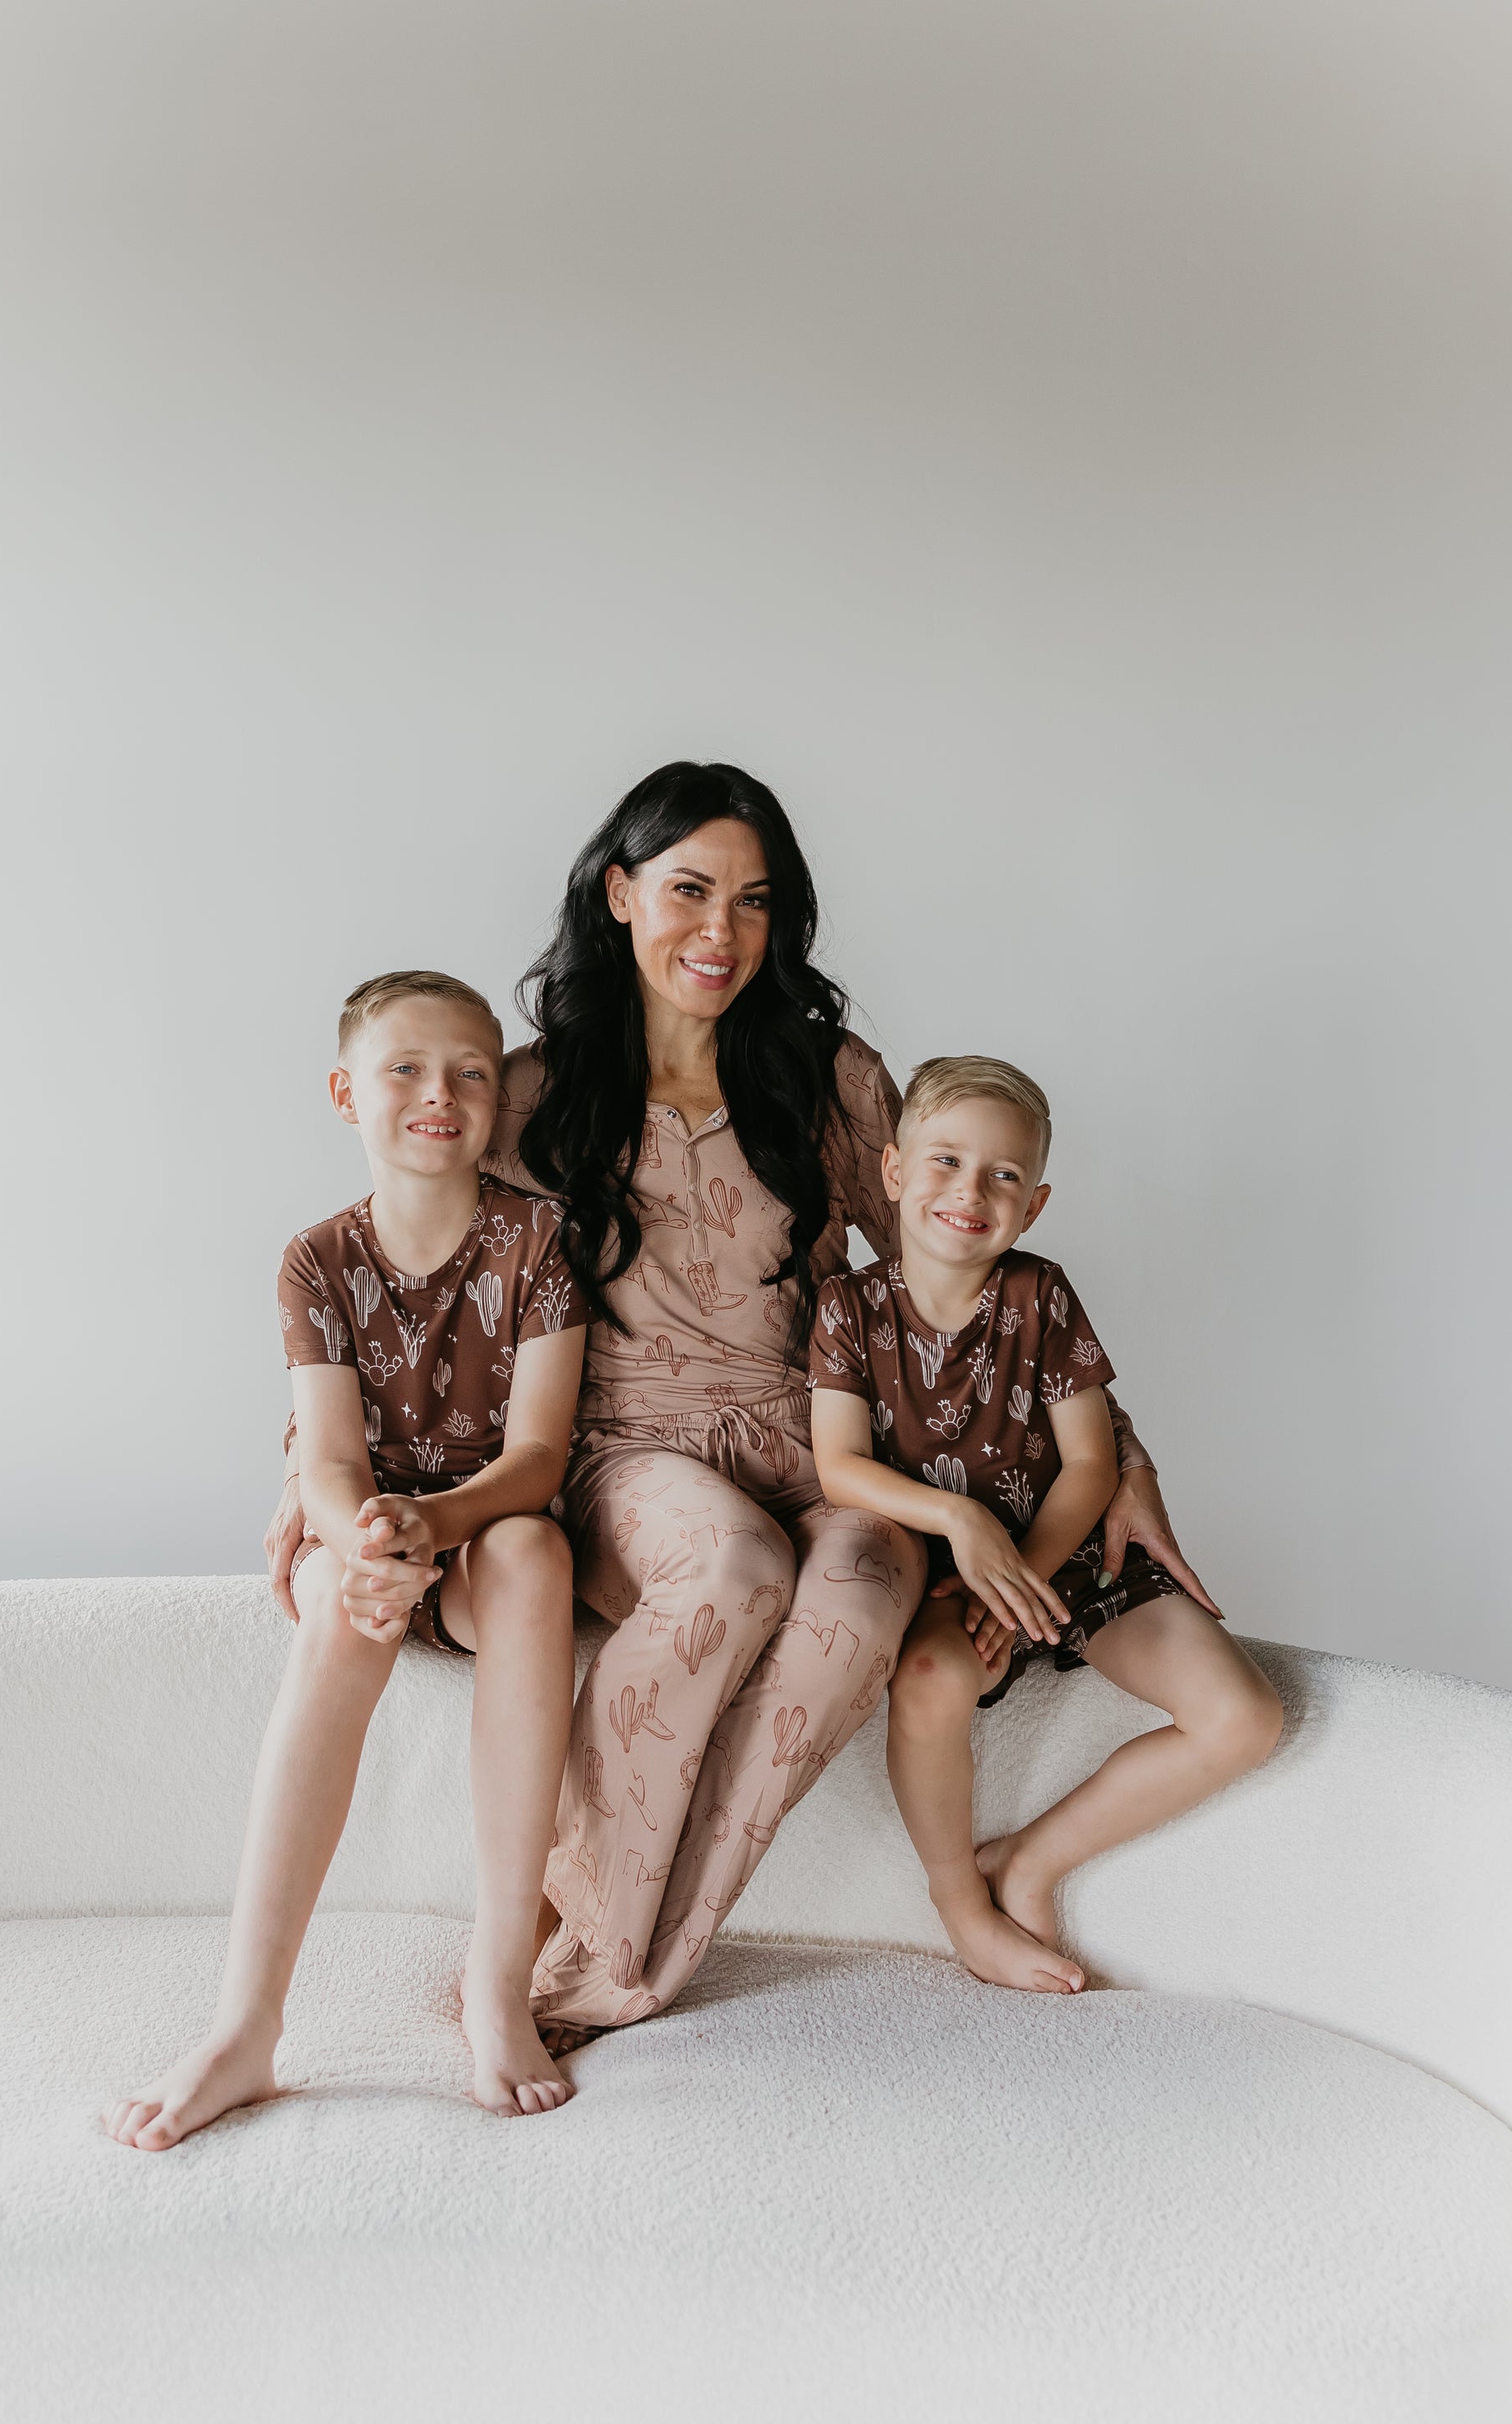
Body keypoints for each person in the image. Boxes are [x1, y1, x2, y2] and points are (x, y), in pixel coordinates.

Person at [265, 764, 1220, 2039]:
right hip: (620, 1452)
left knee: (863, 1595)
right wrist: (303, 1464)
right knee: (729, 1566)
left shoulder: (832, 1081)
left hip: (818, 1439)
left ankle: (626, 1963)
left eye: (754, 902)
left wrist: (1130, 1463)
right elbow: (415, 1271)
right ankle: (570, 1919)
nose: (719, 932)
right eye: (688, 890)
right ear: (619, 893)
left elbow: (968, 1270)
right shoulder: (531, 1091)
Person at [105, 970, 586, 2146]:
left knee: (532, 1551)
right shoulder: (316, 1260)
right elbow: (324, 1456)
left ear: (497, 1100)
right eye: (406, 1069)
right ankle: (246, 2022)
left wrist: (440, 1520)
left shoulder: (539, 1242)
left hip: (475, 1536)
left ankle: (495, 1974)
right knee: (334, 1605)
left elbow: (538, 1453)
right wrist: (366, 1533)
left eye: (471, 1071)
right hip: (368, 1537)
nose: (440, 1093)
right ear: (345, 1092)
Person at [809, 1053, 1283, 1987]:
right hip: (947, 1570)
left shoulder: (1040, 1294)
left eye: (1003, 1175)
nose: (969, 1191)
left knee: (1243, 1717)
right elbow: (839, 1467)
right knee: (933, 1679)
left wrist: (1025, 1569)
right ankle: (957, 1899)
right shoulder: (848, 1308)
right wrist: (961, 1525)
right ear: (893, 1174)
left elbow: (1090, 1461)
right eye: (943, 1161)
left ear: (1033, 1204)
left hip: (1063, 1555)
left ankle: (1029, 1859)